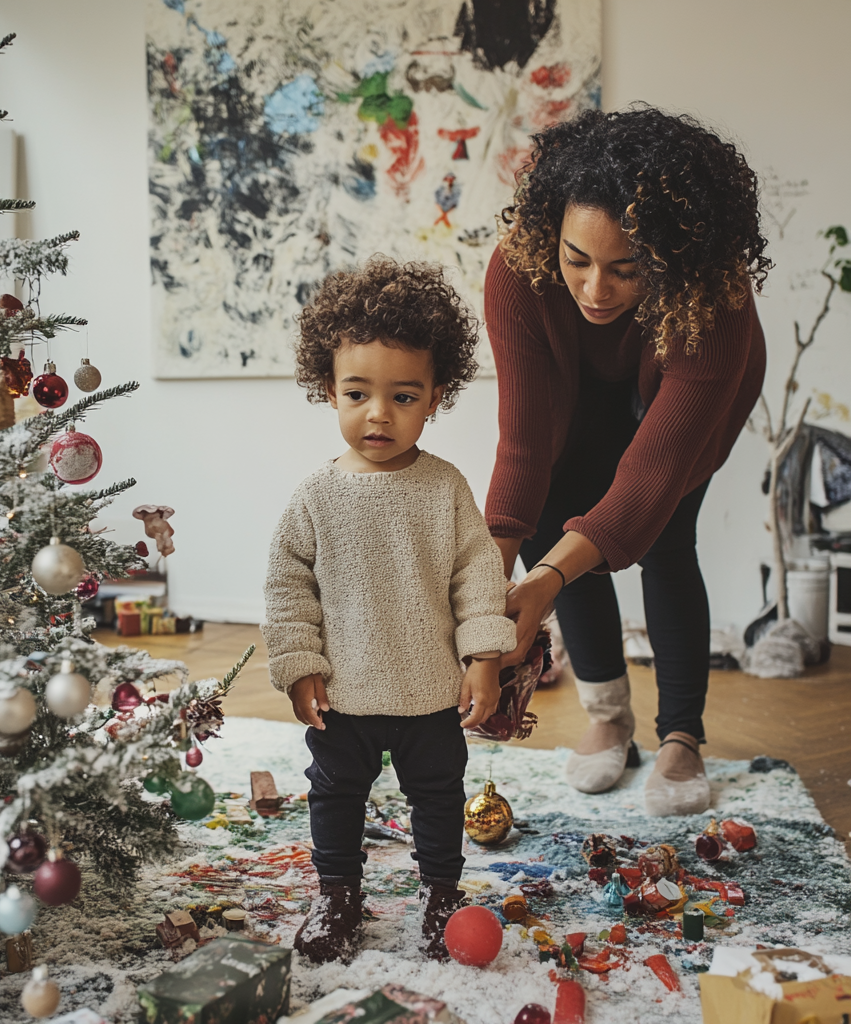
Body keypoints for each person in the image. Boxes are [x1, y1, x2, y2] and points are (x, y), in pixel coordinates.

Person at [484, 106, 769, 817]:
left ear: (672, 259)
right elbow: (523, 441)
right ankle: (609, 716)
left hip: (685, 403)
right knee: (555, 524)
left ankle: (681, 737)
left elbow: (649, 475)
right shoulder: (517, 268)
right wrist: (484, 595)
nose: (594, 290)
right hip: (574, 395)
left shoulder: (715, 296)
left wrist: (544, 581)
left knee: (667, 539)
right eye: (576, 260)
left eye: (626, 269)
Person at [262, 256, 517, 962]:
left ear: (435, 397)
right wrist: (298, 667)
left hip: (431, 693)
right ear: (328, 389)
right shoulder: (316, 496)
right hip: (344, 694)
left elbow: (478, 577)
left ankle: (441, 893)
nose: (380, 414)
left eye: (405, 396)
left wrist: (484, 660)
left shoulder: (445, 489)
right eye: (358, 393)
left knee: (439, 794)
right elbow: (288, 587)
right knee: (334, 793)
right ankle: (338, 892)